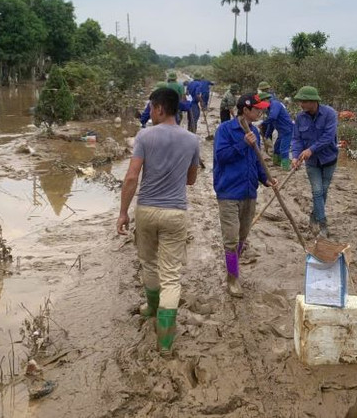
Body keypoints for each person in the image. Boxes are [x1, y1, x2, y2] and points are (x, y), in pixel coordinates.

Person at [117, 87, 200, 356]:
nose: (150, 112)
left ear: (160, 108)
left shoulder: (144, 136)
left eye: (151, 107)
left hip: (147, 210)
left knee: (149, 263)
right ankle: (165, 341)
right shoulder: (192, 140)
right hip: (175, 212)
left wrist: (123, 212)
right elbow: (191, 180)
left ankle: (151, 307)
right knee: (171, 274)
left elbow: (132, 177)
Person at [213, 93, 277, 297]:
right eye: (257, 109)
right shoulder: (224, 130)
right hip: (229, 192)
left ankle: (233, 267)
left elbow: (256, 161)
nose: (260, 112)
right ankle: (232, 279)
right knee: (231, 238)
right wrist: (243, 143)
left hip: (249, 192)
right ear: (246, 109)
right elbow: (221, 157)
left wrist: (265, 179)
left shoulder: (255, 132)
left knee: (242, 236)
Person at [291, 86, 338, 238]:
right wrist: (295, 156)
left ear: (314, 101)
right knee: (317, 191)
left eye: (304, 101)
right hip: (311, 162)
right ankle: (323, 225)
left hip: (329, 159)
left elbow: (328, 137)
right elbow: (297, 138)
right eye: (300, 101)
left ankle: (314, 216)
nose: (301, 104)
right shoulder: (300, 118)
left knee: (323, 191)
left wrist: (311, 149)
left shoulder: (330, 114)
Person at [259, 81, 294, 171]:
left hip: (287, 129)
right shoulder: (268, 109)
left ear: (266, 100)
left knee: (284, 148)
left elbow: (273, 117)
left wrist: (263, 123)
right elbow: (271, 124)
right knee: (277, 146)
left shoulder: (275, 104)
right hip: (281, 130)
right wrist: (266, 135)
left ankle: (286, 166)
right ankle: (276, 162)